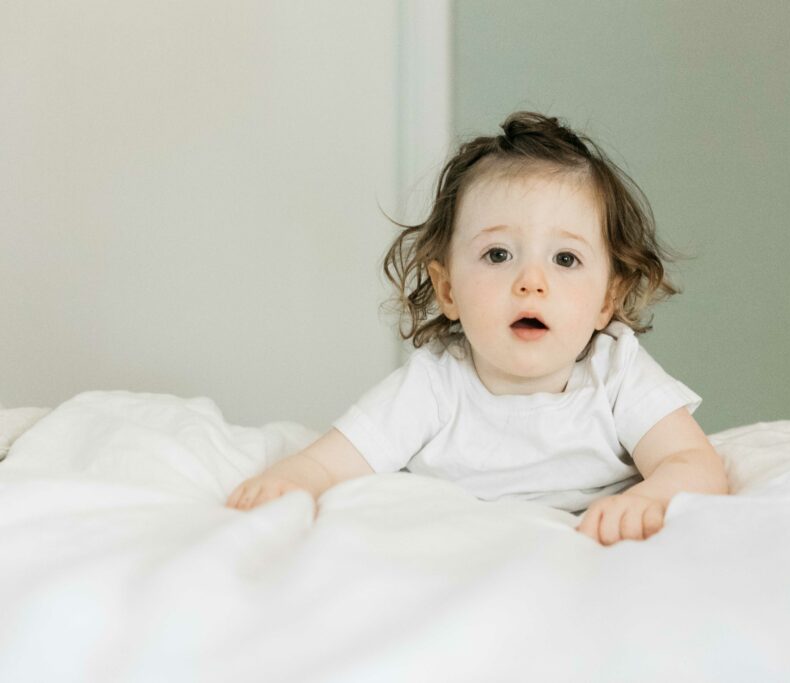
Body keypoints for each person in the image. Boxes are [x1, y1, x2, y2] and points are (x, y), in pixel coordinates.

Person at [227, 111, 729, 545]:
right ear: (448, 291)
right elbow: (331, 462)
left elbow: (693, 462)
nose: (531, 283)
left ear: (607, 300)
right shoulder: (434, 385)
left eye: (565, 258)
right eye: (498, 254)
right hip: (462, 557)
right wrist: (289, 480)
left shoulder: (616, 374)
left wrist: (651, 497)